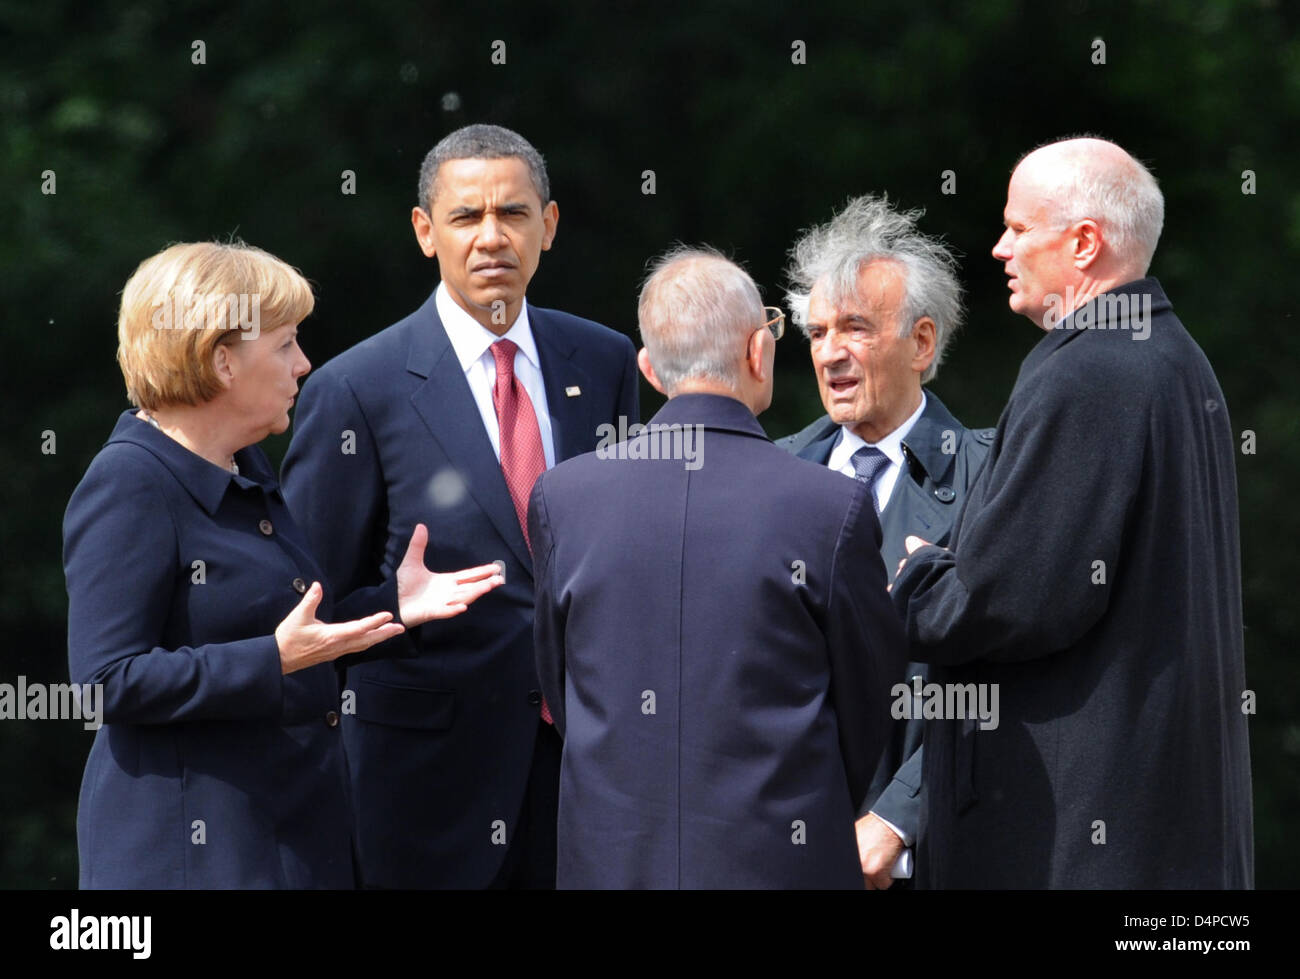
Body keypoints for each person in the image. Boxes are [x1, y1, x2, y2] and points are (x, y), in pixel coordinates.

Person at [63, 241, 502, 888]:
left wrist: (391, 604)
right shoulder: (130, 480)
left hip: (286, 846)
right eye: (285, 344)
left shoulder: (246, 466)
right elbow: (104, 682)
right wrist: (271, 660)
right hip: (190, 863)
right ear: (222, 361)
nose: (304, 364)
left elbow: (290, 635)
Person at [281, 124, 639, 888]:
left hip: (589, 782)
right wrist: (400, 607)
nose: (490, 237)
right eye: (465, 217)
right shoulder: (355, 390)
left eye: (512, 214)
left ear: (548, 225)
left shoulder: (606, 361)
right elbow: (307, 611)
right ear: (423, 232)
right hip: (422, 795)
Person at [891, 137, 1254, 888]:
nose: (999, 249)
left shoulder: (1089, 369)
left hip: (1078, 842)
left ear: (1084, 242)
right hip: (1159, 835)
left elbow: (1012, 598)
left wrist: (921, 576)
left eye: (1019, 229)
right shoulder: (1176, 358)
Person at [529, 247, 907, 888]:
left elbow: (561, 685)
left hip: (612, 860)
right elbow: (870, 704)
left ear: (649, 370)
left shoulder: (563, 497)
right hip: (781, 858)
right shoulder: (828, 505)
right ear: (759, 351)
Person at [777, 194, 992, 888]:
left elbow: (1007, 679)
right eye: (816, 332)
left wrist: (899, 817)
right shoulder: (770, 471)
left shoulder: (993, 475)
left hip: (928, 859)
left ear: (922, 343)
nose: (830, 352)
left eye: (856, 328)